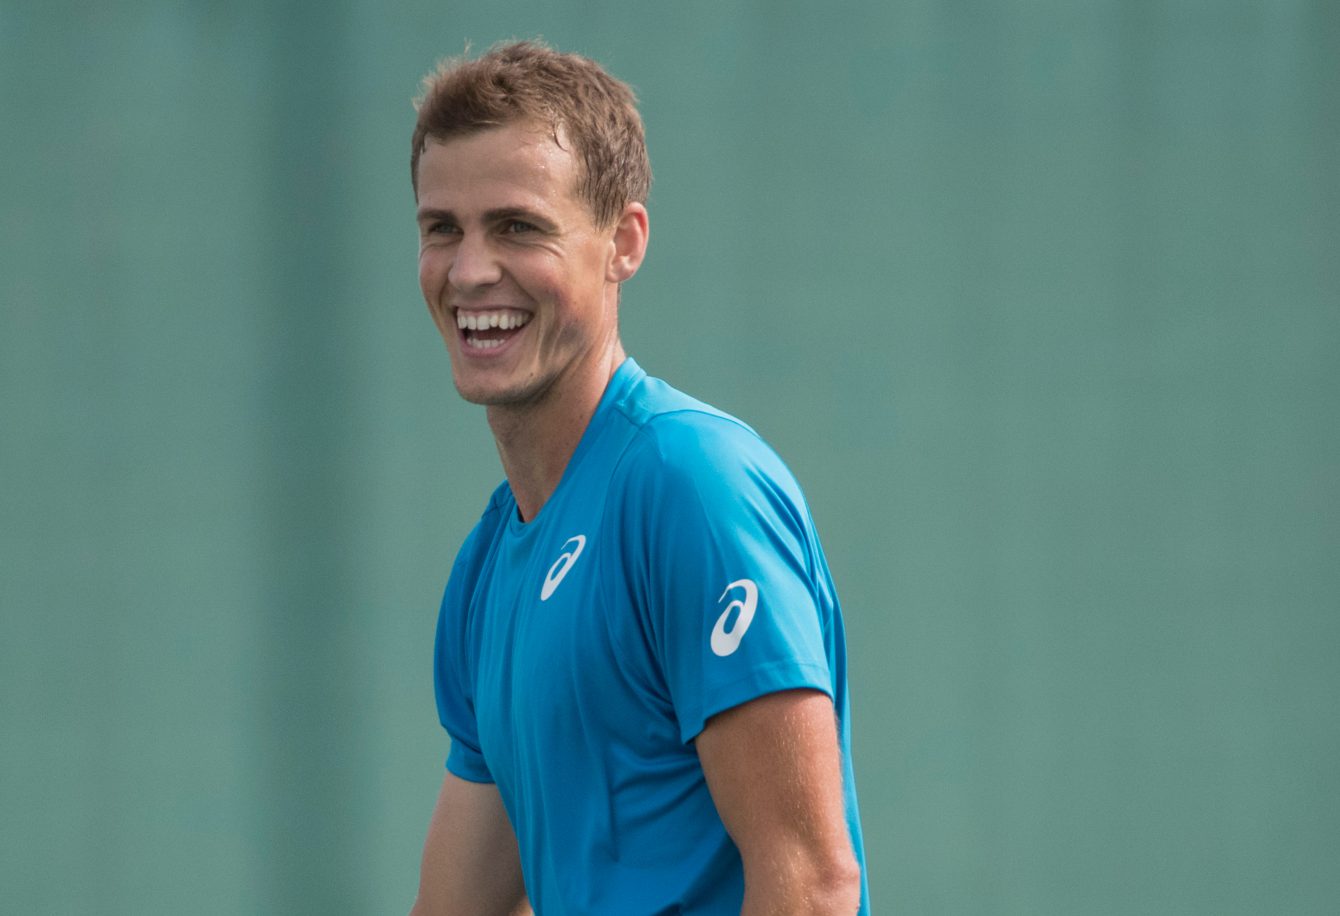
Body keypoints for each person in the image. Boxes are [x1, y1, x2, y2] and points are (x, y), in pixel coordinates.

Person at [408, 41, 868, 915]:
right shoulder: (486, 566)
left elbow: (809, 887)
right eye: (443, 229)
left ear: (622, 241)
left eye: (518, 226)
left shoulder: (691, 485)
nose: (470, 271)